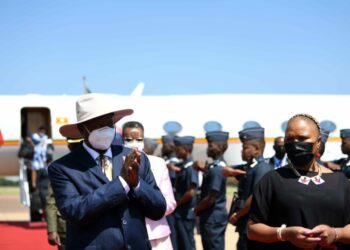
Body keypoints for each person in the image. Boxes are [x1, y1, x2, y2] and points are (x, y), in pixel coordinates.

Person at [48, 93, 166, 250]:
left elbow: (159, 209)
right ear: (82, 130)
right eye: (98, 125)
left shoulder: (136, 158)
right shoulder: (63, 168)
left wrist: (137, 184)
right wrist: (122, 183)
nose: (106, 130)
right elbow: (75, 212)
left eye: (109, 123)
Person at [247, 114, 350, 249]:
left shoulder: (340, 182)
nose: (295, 143)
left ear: (318, 142)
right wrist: (284, 234)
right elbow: (252, 230)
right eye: (289, 139)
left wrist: (336, 234)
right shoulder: (271, 180)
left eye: (302, 138)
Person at [122, 121, 176, 250]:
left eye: (139, 139)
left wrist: (151, 206)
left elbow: (170, 202)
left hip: (157, 234)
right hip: (127, 235)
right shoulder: (116, 163)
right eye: (129, 139)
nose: (134, 143)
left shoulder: (158, 163)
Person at [226, 127, 273, 250]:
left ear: (257, 150)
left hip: (251, 221)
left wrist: (237, 215)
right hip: (245, 221)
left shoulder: (262, 168)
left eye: (245, 148)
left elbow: (255, 196)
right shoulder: (251, 167)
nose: (242, 151)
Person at [194, 131, 229, 250]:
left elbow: (211, 198)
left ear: (219, 148)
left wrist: (197, 209)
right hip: (213, 216)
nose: (207, 148)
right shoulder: (216, 167)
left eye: (210, 145)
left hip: (212, 218)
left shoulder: (217, 169)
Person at [46, 138, 82, 250]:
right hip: (65, 229)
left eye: (79, 144)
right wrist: (52, 230)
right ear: (69, 146)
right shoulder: (60, 168)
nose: (76, 147)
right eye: (73, 144)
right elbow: (51, 202)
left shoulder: (97, 164)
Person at [173, 136, 198, 250]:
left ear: (186, 150)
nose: (176, 152)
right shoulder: (183, 166)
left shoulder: (191, 168)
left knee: (187, 243)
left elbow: (191, 192)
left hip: (186, 213)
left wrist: (177, 204)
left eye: (178, 149)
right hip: (181, 212)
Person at [161, 135, 181, 250]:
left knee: (172, 233)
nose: (163, 147)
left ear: (172, 146)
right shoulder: (167, 161)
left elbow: (171, 183)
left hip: (171, 202)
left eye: (165, 144)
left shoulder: (173, 162)